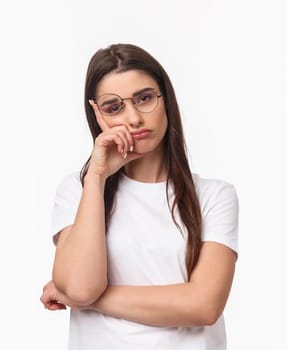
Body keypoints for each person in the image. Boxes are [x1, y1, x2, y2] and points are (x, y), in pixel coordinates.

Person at [39, 43, 239, 350]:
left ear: (165, 101)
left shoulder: (213, 196)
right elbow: (80, 288)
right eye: (114, 107)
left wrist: (87, 298)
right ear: (97, 116)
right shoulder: (78, 190)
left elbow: (204, 306)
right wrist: (96, 176)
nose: (133, 118)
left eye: (144, 98)